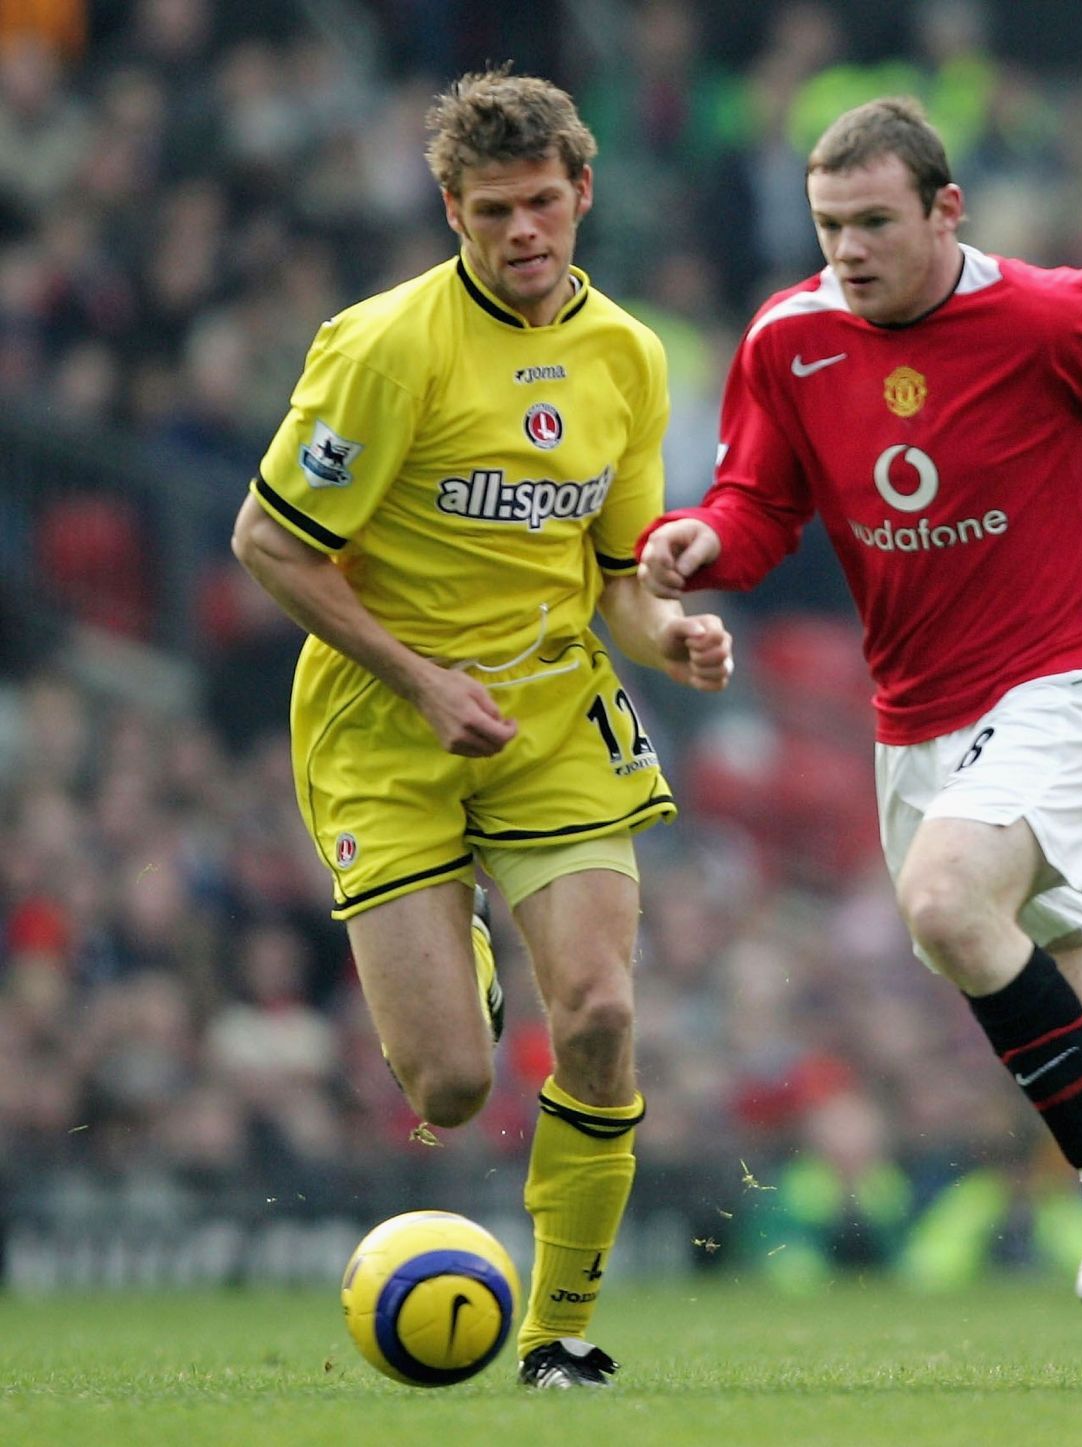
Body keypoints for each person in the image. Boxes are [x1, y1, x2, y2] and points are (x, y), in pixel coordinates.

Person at [639, 96, 1082, 1388]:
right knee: (1069, 997)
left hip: (1071, 675)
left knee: (949, 898)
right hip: (918, 719)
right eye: (829, 225)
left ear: (947, 210)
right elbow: (759, 500)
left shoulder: (1052, 314)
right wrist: (703, 543)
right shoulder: (789, 339)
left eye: (876, 223)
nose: (848, 249)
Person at [230, 68, 732, 1390]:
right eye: (493, 209)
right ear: (450, 208)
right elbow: (271, 542)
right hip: (385, 723)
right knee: (451, 1086)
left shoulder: (627, 355)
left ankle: (559, 1332)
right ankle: (459, 948)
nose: (524, 233)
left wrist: (667, 633)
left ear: (584, 194)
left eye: (545, 203)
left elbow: (619, 573)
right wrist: (418, 678)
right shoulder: (385, 346)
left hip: (554, 707)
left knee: (605, 1012)